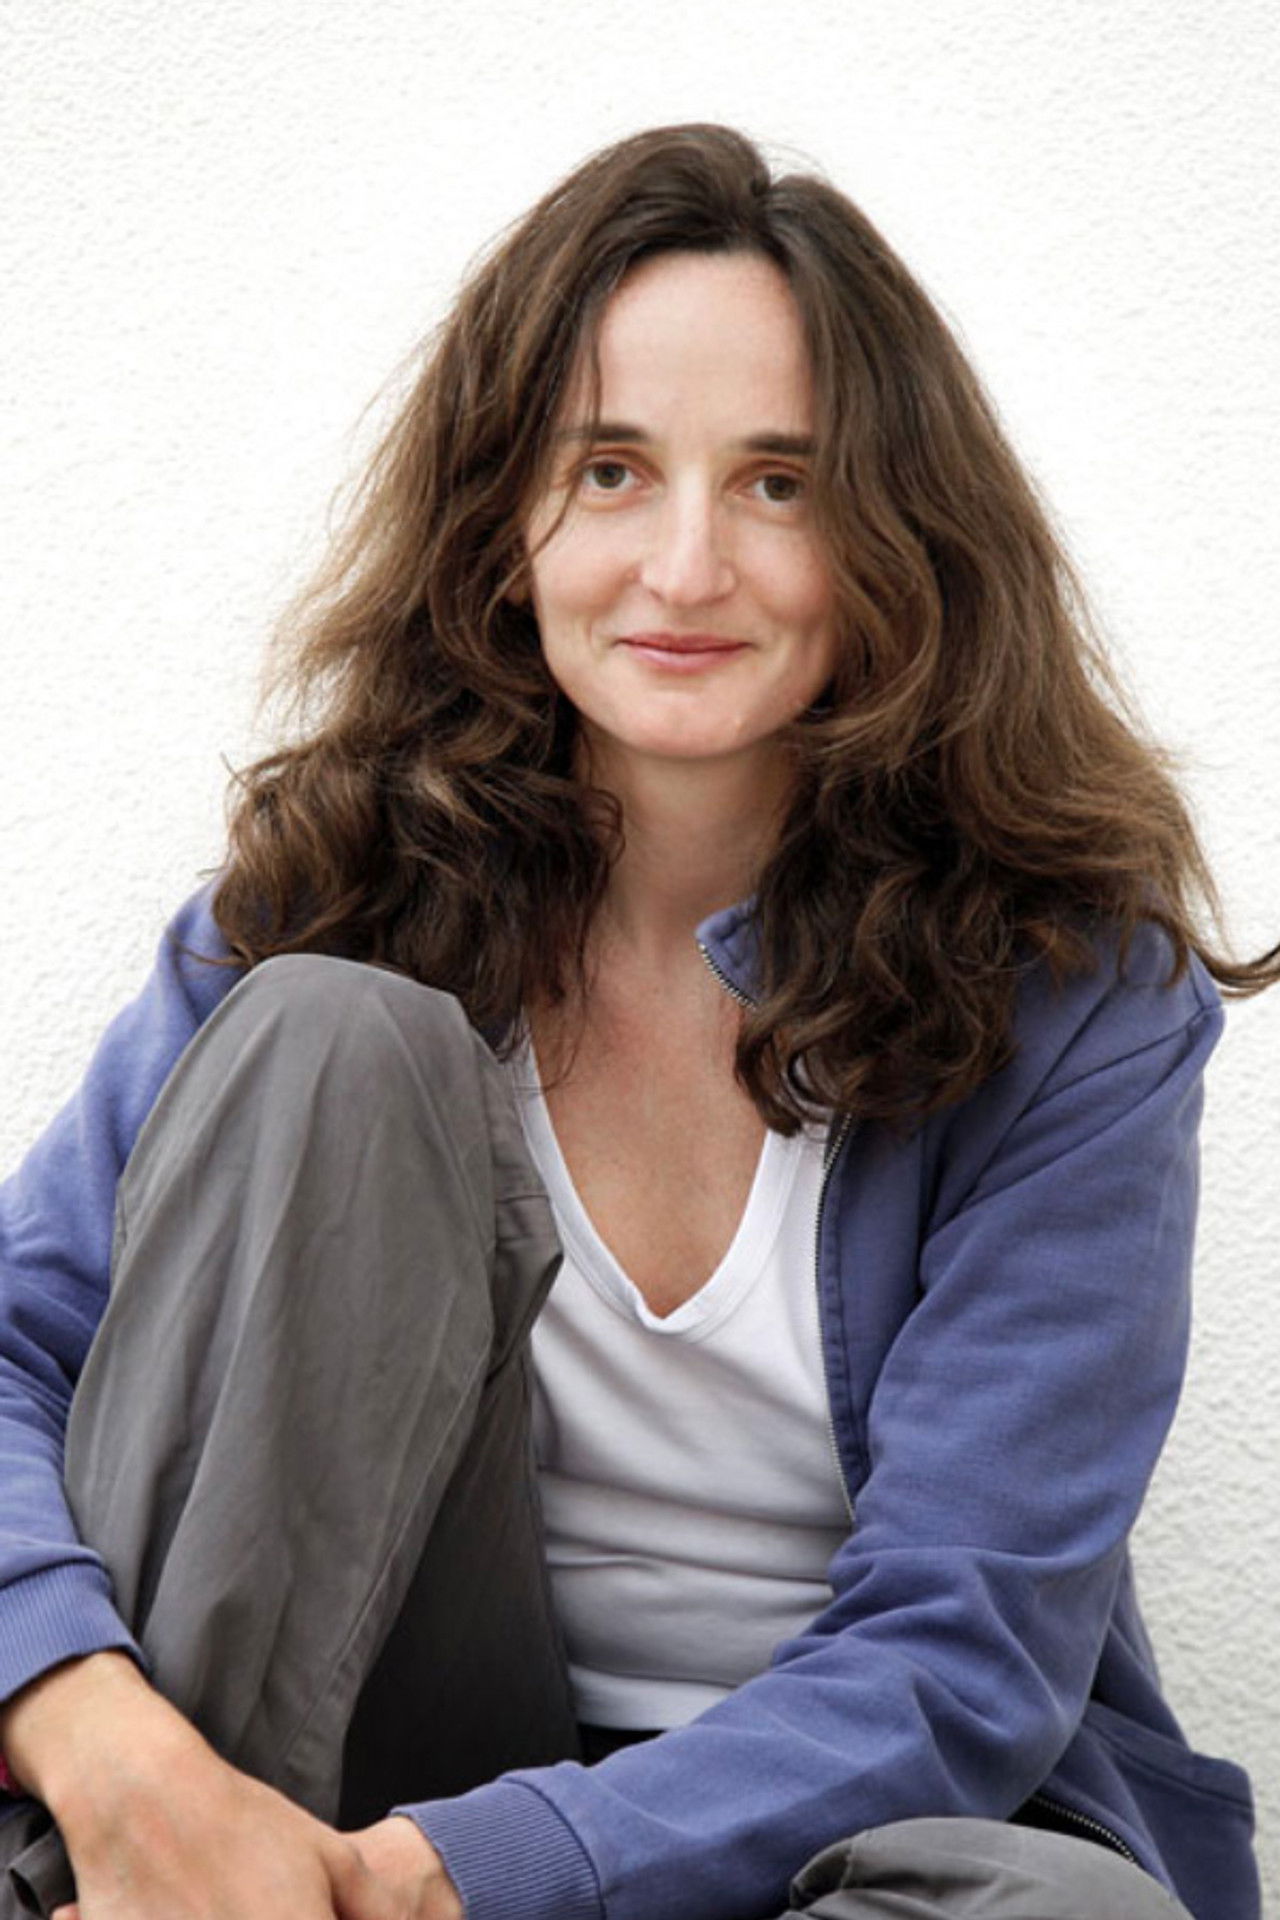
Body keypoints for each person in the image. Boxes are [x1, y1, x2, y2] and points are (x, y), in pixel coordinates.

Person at [0, 123, 1270, 1920]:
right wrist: (114, 1757)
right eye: (610, 469)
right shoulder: (323, 899)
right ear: (502, 522)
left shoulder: (1074, 994)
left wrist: (450, 1881)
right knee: (324, 1034)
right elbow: (15, 1352)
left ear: (898, 537)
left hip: (844, 1835)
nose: (684, 568)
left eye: (779, 484)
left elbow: (963, 1652)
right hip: (335, 1785)